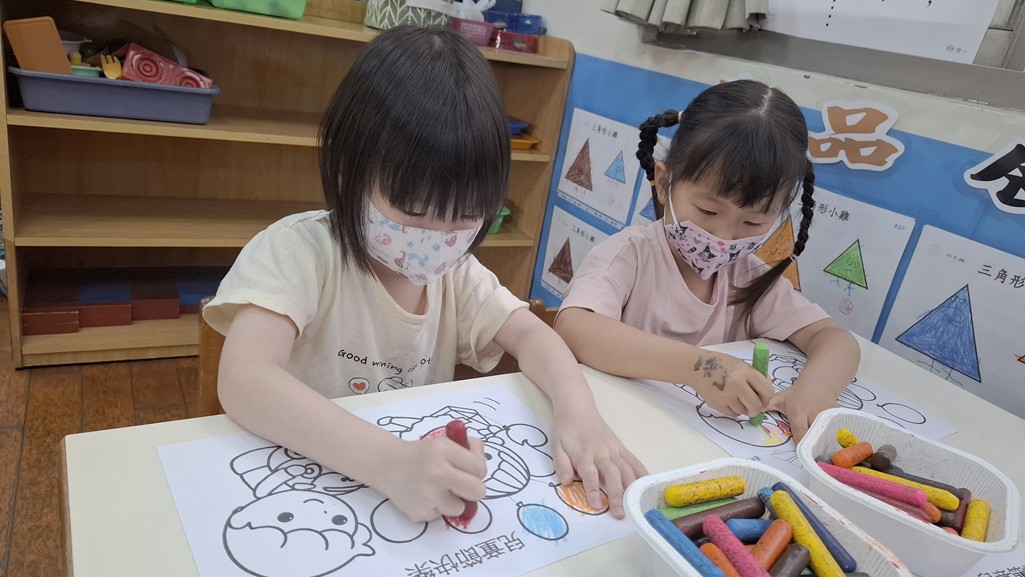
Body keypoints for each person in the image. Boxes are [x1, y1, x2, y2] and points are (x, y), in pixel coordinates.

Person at [203, 26, 645, 523]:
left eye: (465, 217)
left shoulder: (457, 275)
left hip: (406, 491)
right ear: (349, 169)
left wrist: (579, 412)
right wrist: (389, 462)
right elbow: (244, 379)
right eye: (413, 211)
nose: (437, 237)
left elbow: (532, 335)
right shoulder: (298, 251)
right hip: (302, 484)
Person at [554, 80, 860, 442]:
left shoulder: (749, 276)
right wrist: (700, 367)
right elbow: (575, 327)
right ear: (664, 183)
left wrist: (813, 391)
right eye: (708, 210)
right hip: (615, 433)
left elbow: (835, 339)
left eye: (752, 223)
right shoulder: (629, 256)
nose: (723, 237)